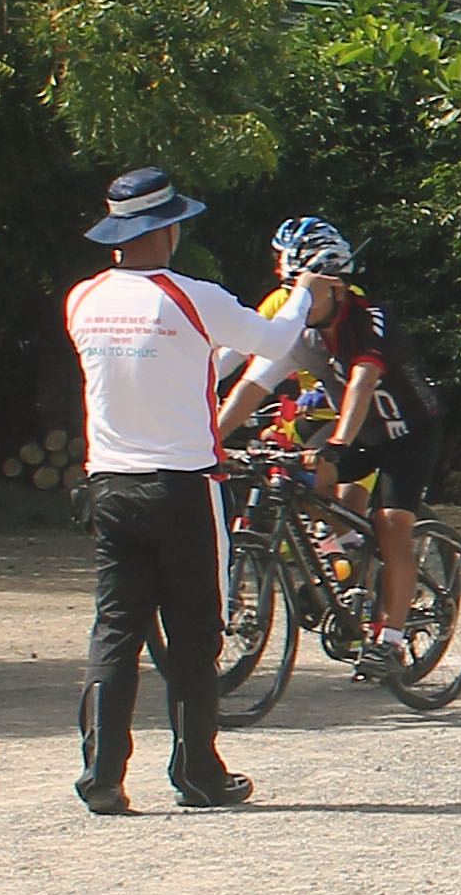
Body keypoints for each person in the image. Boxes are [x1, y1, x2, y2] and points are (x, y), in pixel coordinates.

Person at [64, 167, 315, 814]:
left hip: (110, 484)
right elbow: (274, 340)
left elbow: (187, 361)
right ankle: (197, 770)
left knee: (115, 630)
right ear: (169, 228)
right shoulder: (190, 297)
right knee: (196, 634)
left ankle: (101, 773)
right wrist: (305, 293)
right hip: (182, 486)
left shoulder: (84, 300)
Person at [215, 217, 447, 683]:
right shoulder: (299, 332)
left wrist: (338, 444)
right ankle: (349, 559)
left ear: (337, 287)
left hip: (407, 433)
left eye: (307, 291)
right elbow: (250, 386)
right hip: (358, 430)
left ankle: (392, 639)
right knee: (315, 486)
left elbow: (362, 383)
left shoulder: (369, 318)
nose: (297, 301)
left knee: (392, 526)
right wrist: (208, 438)